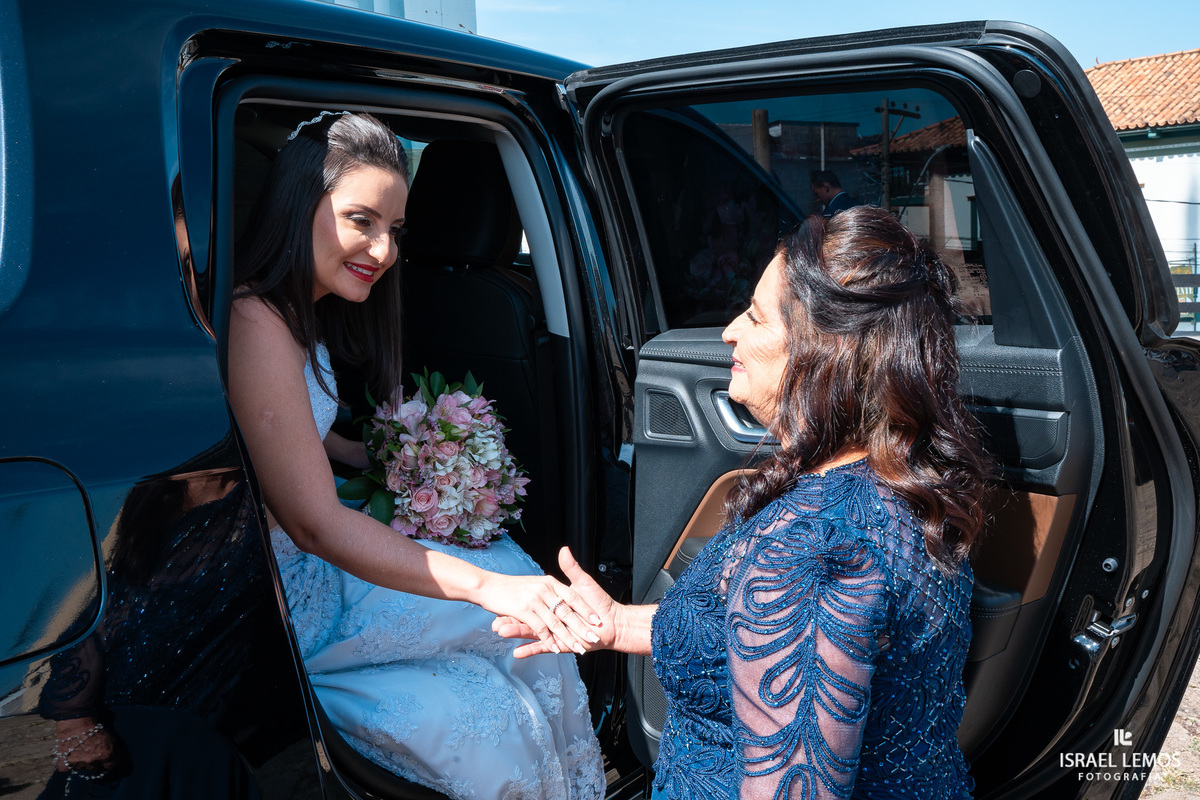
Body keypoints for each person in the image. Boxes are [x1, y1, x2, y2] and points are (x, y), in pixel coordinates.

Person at [500, 206, 990, 798]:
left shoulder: (811, 550)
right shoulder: (899, 484)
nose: (730, 330)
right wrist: (619, 623)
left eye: (756, 317)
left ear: (823, 350)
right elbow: (748, 627)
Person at [227, 111, 604, 800]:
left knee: (527, 620)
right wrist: (485, 587)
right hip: (296, 596)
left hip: (320, 565)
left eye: (396, 230)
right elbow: (313, 524)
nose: (384, 250)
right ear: (297, 207)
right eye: (361, 220)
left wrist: (391, 452)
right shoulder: (257, 321)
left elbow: (285, 432)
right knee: (504, 644)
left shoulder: (294, 311)